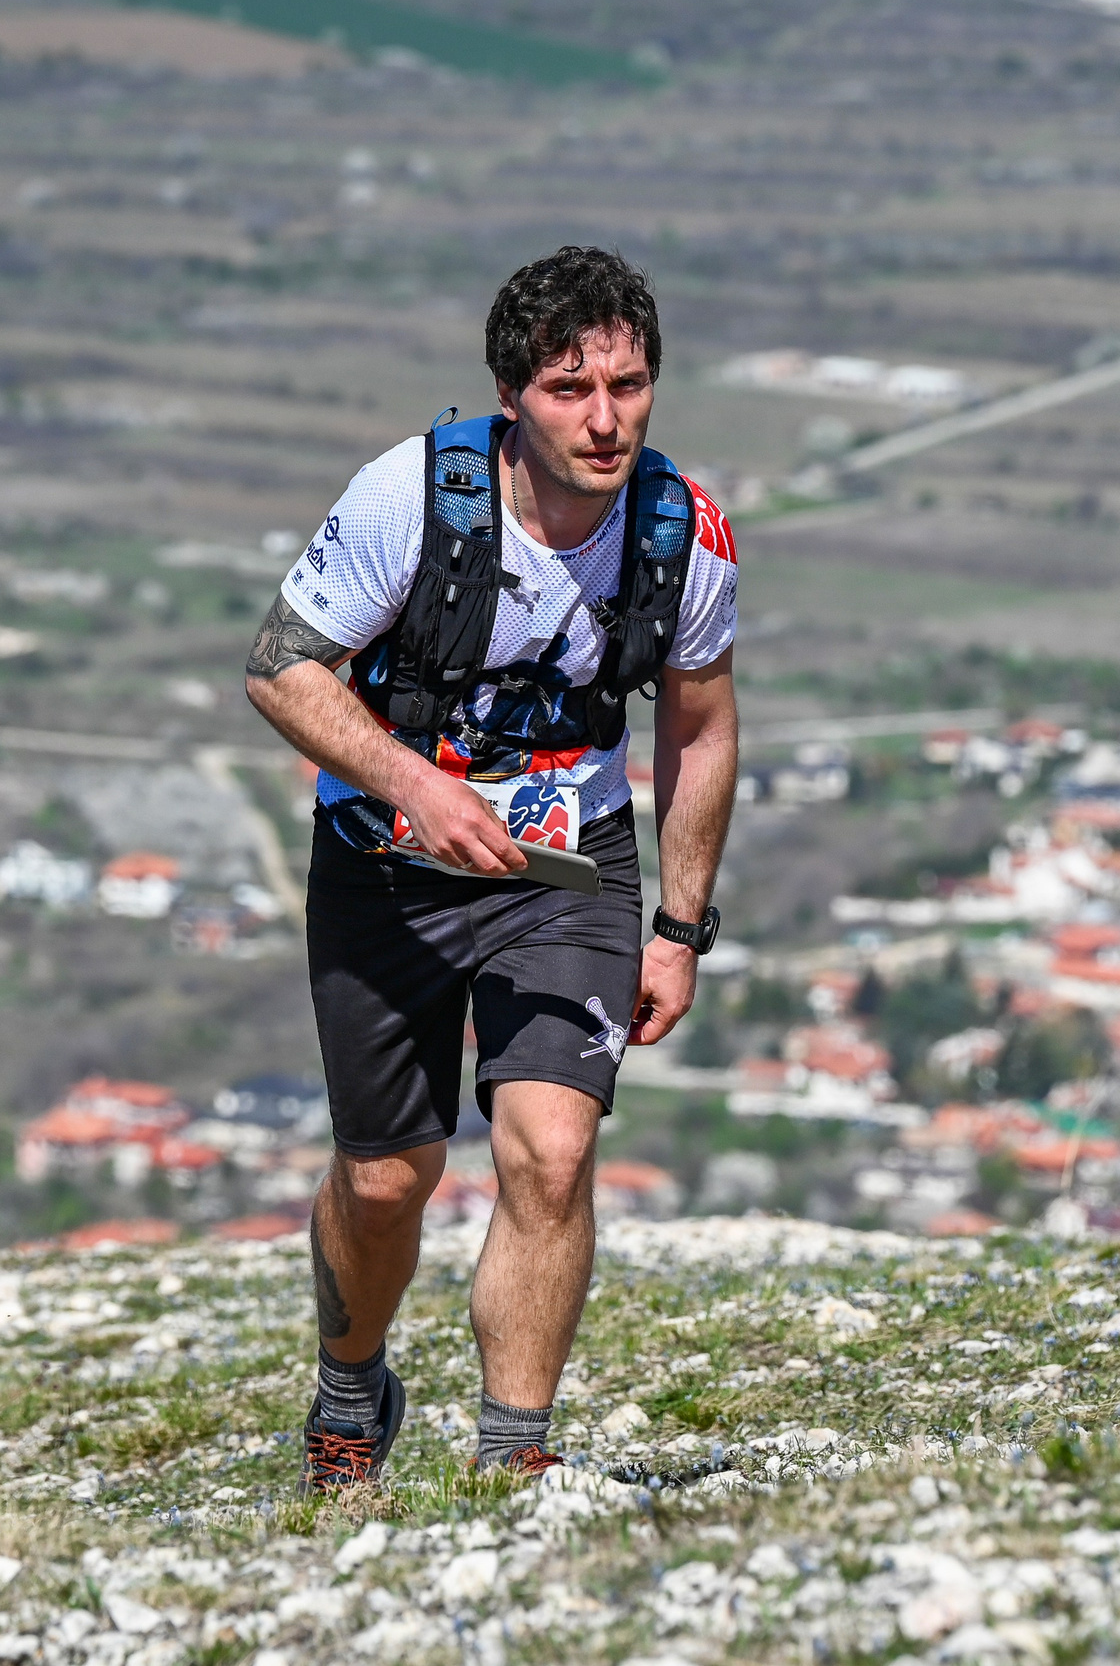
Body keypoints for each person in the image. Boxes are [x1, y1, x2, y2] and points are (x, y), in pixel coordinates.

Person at [244, 246, 739, 1487]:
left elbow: (700, 726)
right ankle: (350, 1391)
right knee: (385, 1178)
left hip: (565, 875)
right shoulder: (410, 499)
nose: (606, 418)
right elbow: (281, 667)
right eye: (571, 389)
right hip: (386, 864)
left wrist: (681, 927)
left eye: (628, 384)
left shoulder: (683, 532)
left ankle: (512, 1463)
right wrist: (417, 785)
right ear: (513, 394)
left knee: (551, 1153)